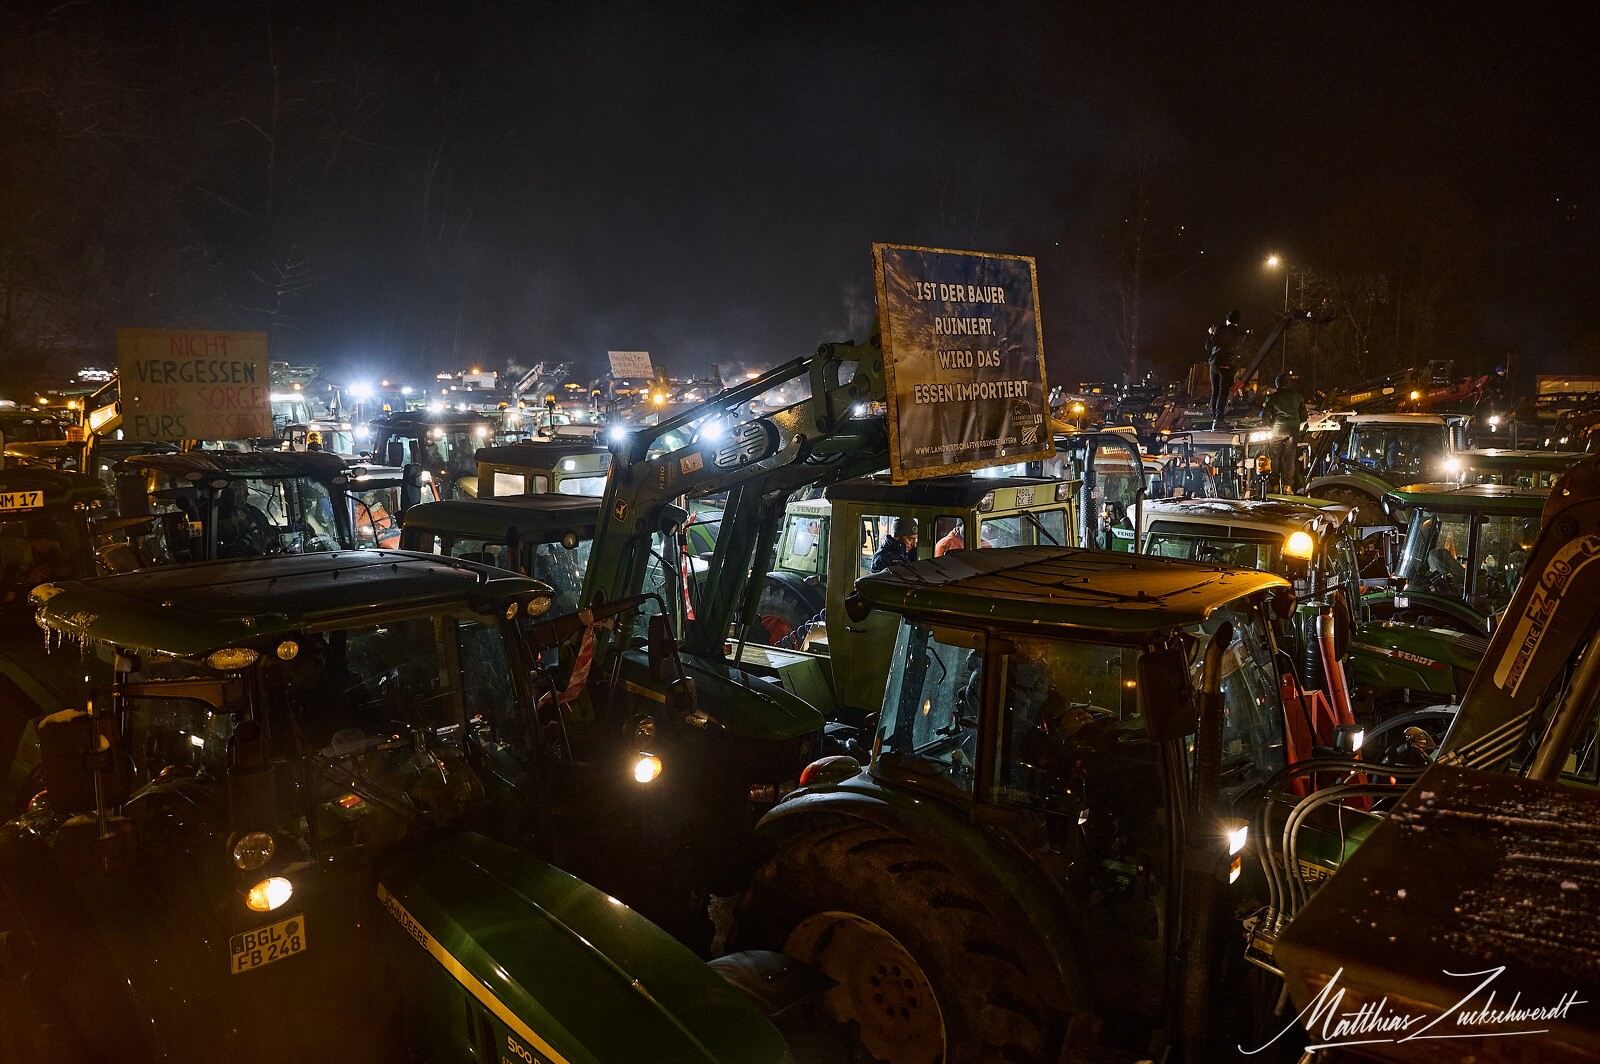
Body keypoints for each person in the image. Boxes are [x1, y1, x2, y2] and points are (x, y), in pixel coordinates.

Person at [1259, 373, 1309, 490]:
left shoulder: (1272, 397)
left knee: (1275, 457)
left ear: (1276, 385)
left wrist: (1272, 425)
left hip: (1278, 430)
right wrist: (1296, 424)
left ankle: (1274, 485)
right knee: (1290, 458)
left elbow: (1265, 416)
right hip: (1293, 431)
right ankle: (1287, 486)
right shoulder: (1297, 397)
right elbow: (1304, 416)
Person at [1205, 310, 1248, 427]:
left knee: (1215, 392)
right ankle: (1219, 419)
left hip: (1214, 364)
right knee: (1222, 393)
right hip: (1228, 366)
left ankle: (1214, 416)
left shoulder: (1219, 330)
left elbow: (1207, 346)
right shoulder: (1241, 335)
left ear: (1227, 320)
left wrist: (1212, 333)